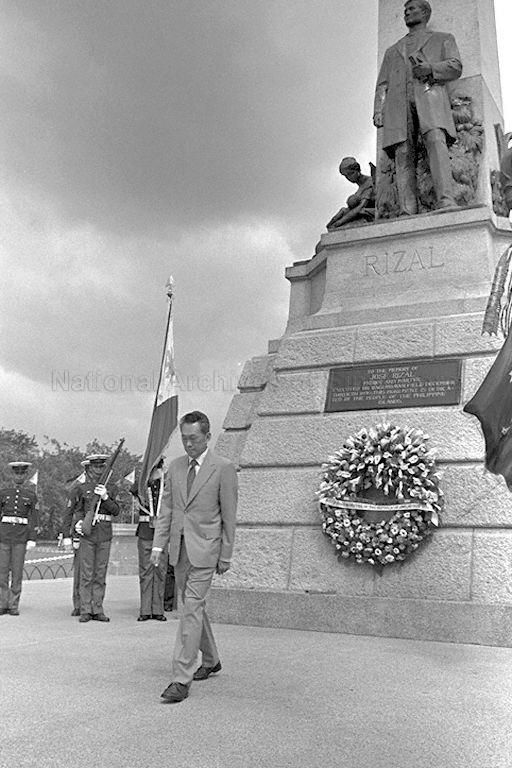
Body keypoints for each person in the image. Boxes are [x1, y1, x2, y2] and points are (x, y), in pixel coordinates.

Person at [150, 411, 238, 703]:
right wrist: (158, 546)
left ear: (207, 437)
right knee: (193, 607)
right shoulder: (175, 468)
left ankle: (180, 678)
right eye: (185, 439)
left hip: (207, 551)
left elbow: (229, 516)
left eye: (194, 439)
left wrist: (225, 555)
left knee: (189, 610)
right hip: (179, 550)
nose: (188, 445)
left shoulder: (223, 468)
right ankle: (211, 659)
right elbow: (168, 511)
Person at [373, 0, 462, 215]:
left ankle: (446, 200)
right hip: (398, 106)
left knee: (435, 142)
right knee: (403, 152)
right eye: (405, 10)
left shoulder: (443, 39)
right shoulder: (392, 50)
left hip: (429, 99)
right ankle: (407, 209)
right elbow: (382, 84)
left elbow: (455, 67)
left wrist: (430, 68)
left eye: (412, 9)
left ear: (425, 13)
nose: (407, 12)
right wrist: (378, 110)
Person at [68, 453, 120, 622]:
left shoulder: (111, 488)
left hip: (104, 533)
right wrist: (77, 525)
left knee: (100, 573)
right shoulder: (81, 489)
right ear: (89, 468)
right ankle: (85, 609)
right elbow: (78, 511)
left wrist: (105, 497)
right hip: (88, 533)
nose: (98, 470)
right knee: (87, 573)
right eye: (95, 467)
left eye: (101, 466)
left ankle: (97, 608)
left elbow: (116, 511)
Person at [0, 461, 39, 616]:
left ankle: (14, 604)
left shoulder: (30, 495)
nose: (19, 476)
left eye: (22, 473)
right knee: (2, 572)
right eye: (17, 473)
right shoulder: (3, 493)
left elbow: (34, 518)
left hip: (21, 537)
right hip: (4, 535)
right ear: (12, 475)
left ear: (26, 475)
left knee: (17, 573)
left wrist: (32, 538)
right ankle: (2, 603)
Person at [135, 459, 167, 622]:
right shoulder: (141, 483)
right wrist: (147, 477)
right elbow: (134, 489)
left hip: (161, 531)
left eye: (158, 466)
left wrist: (162, 478)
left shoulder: (167, 482)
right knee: (146, 571)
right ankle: (145, 609)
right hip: (146, 530)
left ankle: (158, 609)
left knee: (160, 571)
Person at [61, 458, 89, 616]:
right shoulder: (77, 489)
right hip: (79, 530)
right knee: (80, 569)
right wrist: (66, 535)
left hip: (95, 530)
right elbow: (68, 513)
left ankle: (89, 603)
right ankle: (78, 603)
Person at [326, 157, 375, 230]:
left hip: (370, 214)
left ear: (357, 170)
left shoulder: (369, 183)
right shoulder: (359, 190)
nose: (349, 177)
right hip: (359, 214)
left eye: (350, 173)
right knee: (343, 211)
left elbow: (360, 208)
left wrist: (340, 222)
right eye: (346, 176)